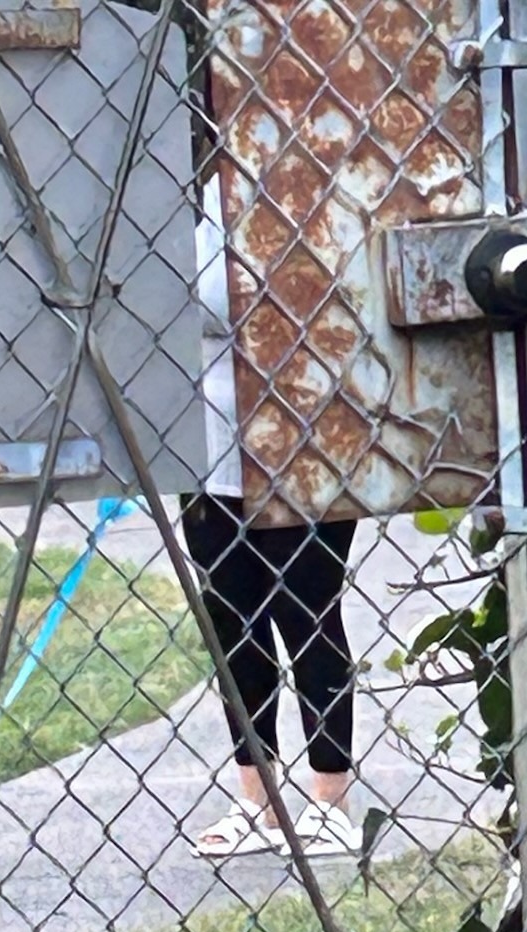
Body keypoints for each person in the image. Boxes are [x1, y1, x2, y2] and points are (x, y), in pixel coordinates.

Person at [182, 176, 360, 860]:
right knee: (233, 620)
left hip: (306, 445)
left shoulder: (312, 186)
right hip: (206, 450)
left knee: (305, 612)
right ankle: (257, 800)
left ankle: (331, 800)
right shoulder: (188, 197)